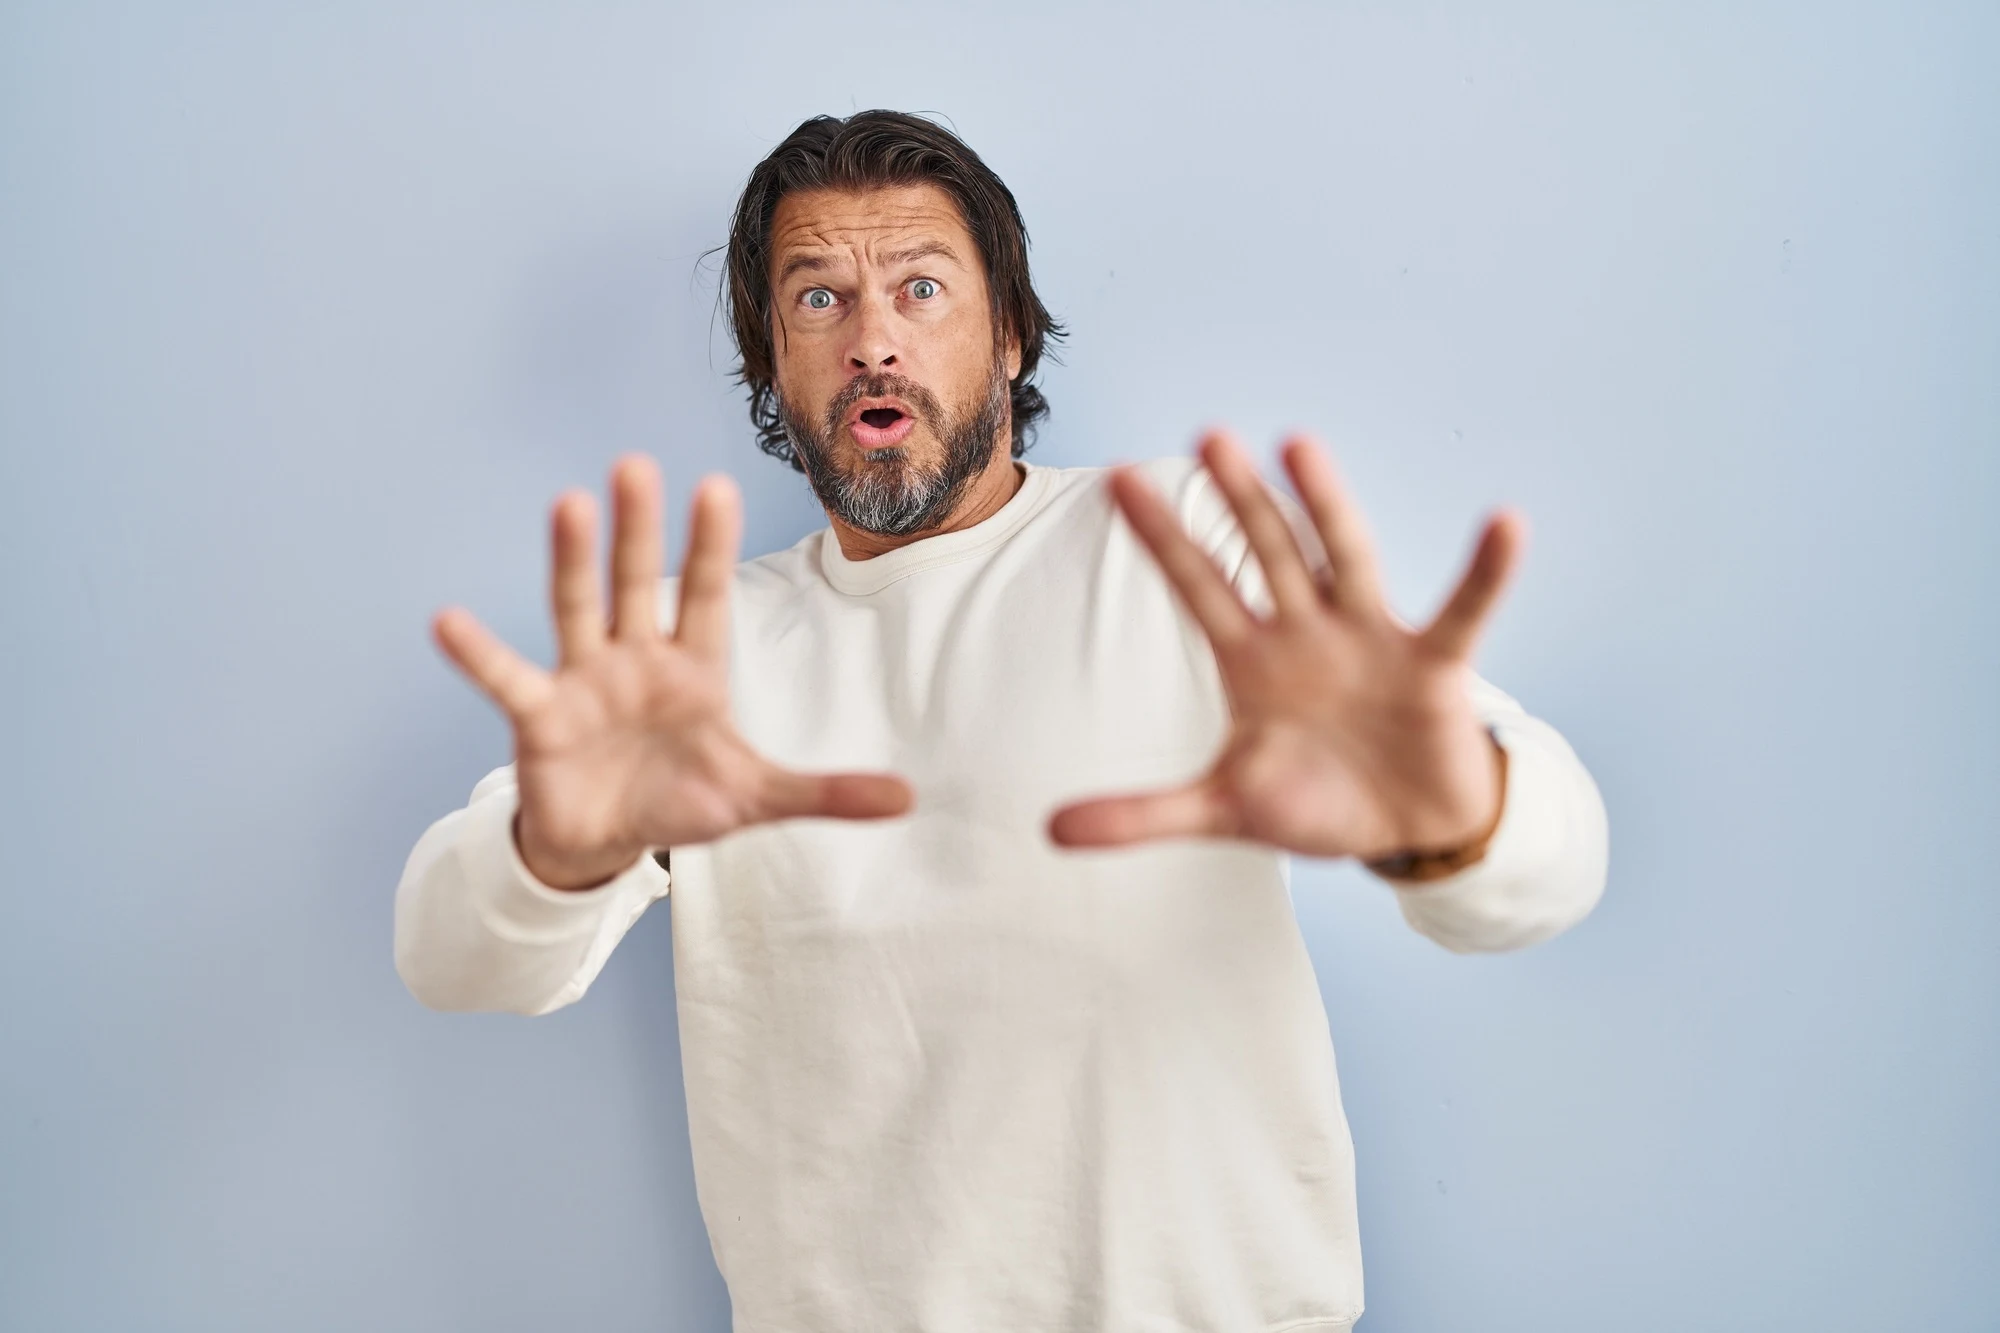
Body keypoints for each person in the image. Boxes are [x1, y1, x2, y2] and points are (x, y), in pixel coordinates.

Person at [394, 110, 1609, 1333]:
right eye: (816, 300)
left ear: (1011, 337)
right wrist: (559, 852)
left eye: (920, 288)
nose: (872, 339)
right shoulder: (689, 651)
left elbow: (1548, 868)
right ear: (771, 365)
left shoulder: (1186, 546)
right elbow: (454, 955)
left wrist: (1454, 813)